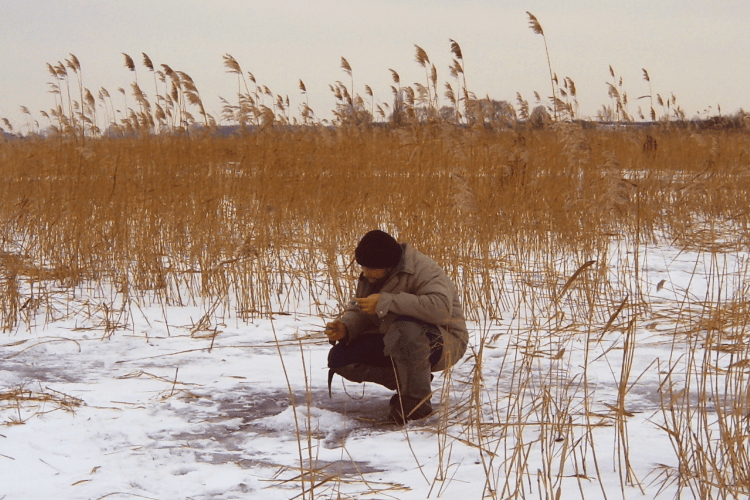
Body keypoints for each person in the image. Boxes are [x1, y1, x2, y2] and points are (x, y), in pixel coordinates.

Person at [326, 229, 469, 424]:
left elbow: (441, 308)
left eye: (370, 268)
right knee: (340, 359)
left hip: (445, 342)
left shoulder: (424, 269)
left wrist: (387, 302)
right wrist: (346, 328)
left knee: (405, 331)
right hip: (394, 340)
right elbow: (361, 308)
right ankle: (415, 381)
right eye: (363, 267)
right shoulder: (372, 275)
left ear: (389, 266)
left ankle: (416, 405)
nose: (365, 273)